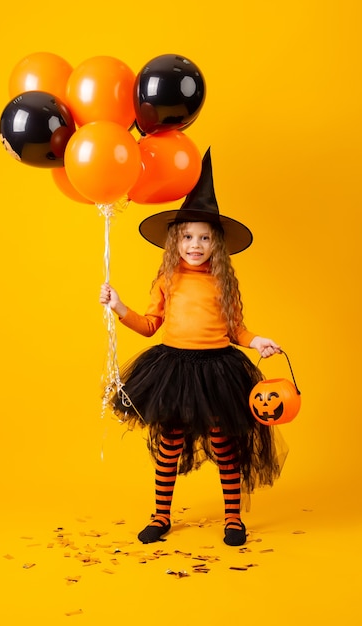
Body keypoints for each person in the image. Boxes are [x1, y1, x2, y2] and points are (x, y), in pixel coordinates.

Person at [99, 149, 287, 546]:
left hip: (218, 369)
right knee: (169, 442)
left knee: (225, 442)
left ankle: (233, 518)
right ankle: (161, 515)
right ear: (175, 240)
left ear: (216, 244)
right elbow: (150, 325)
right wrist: (120, 308)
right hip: (175, 369)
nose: (195, 245)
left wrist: (258, 342)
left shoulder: (223, 283)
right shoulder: (167, 278)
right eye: (187, 237)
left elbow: (236, 329)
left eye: (204, 238)